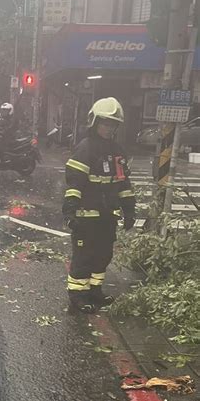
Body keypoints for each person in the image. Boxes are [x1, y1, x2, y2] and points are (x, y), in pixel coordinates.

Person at [62, 97, 136, 313]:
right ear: (94, 122)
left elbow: (123, 183)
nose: (108, 128)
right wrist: (70, 211)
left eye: (112, 124)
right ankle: (77, 295)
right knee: (84, 256)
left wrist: (129, 209)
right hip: (85, 216)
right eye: (105, 123)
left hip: (107, 216)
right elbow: (74, 183)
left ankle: (95, 291)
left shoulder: (117, 151)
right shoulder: (85, 148)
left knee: (103, 255)